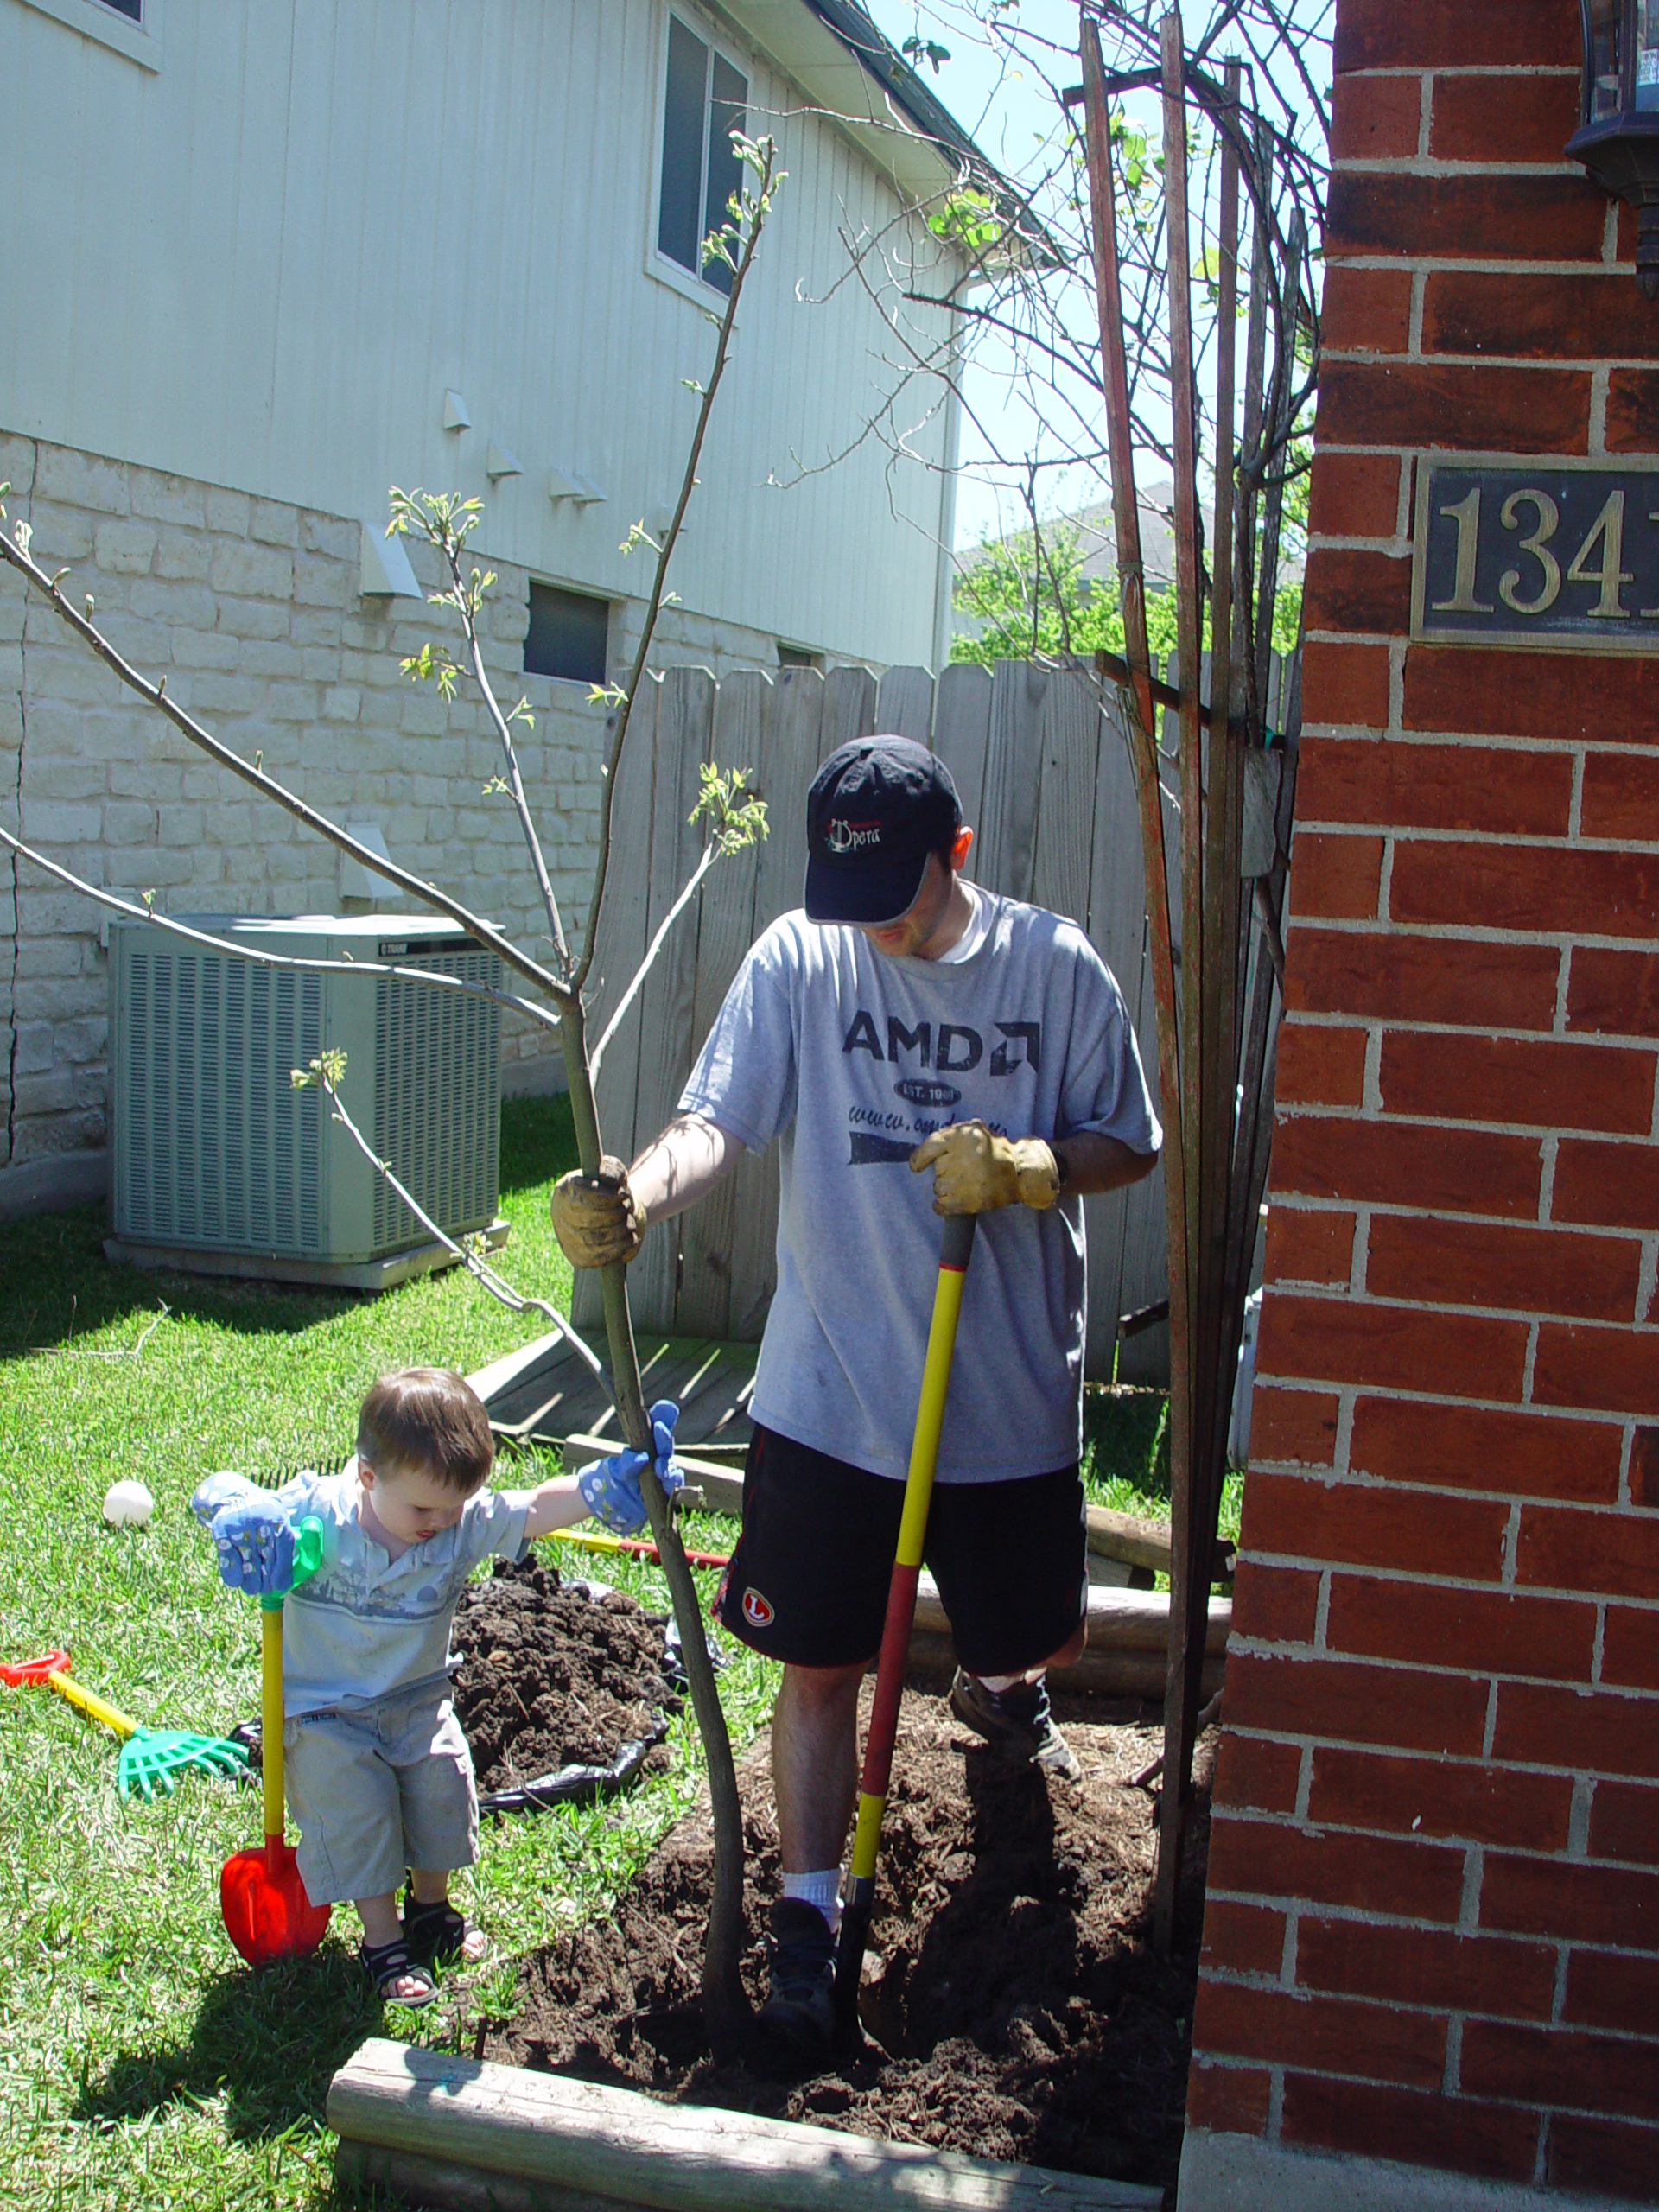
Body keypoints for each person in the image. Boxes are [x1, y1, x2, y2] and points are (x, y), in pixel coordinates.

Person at [551, 734, 1161, 2052]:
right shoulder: (802, 955)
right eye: (854, 901)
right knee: (816, 1666)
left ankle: (1004, 1690)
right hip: (827, 1392)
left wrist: (1031, 1167)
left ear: (959, 856)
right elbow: (716, 1118)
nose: (876, 929)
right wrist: (635, 1198)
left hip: (1001, 1397)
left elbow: (1133, 1141)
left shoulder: (1054, 969)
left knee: (1034, 1634)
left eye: (903, 896)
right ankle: (808, 1913)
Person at [192, 1365, 681, 2005]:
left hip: (419, 1699)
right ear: (367, 1476)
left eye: (454, 1505)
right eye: (423, 1507)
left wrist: (599, 1488)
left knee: (443, 1793)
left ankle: (430, 1909)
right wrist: (238, 1507)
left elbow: (531, 1508)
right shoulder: (317, 1512)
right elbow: (215, 1491)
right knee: (357, 1816)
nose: (440, 1521)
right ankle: (382, 1938)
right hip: (324, 1713)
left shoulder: (456, 1521)